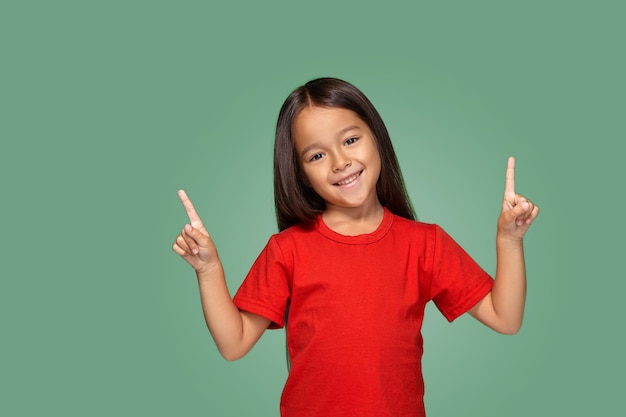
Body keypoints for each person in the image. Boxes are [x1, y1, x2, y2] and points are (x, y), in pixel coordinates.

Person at [172, 77, 539, 417]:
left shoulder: (425, 243)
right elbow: (233, 344)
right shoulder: (288, 250)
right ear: (299, 173)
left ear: (376, 136)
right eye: (317, 155)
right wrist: (208, 270)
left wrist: (509, 240)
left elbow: (505, 318)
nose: (340, 162)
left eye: (350, 140)